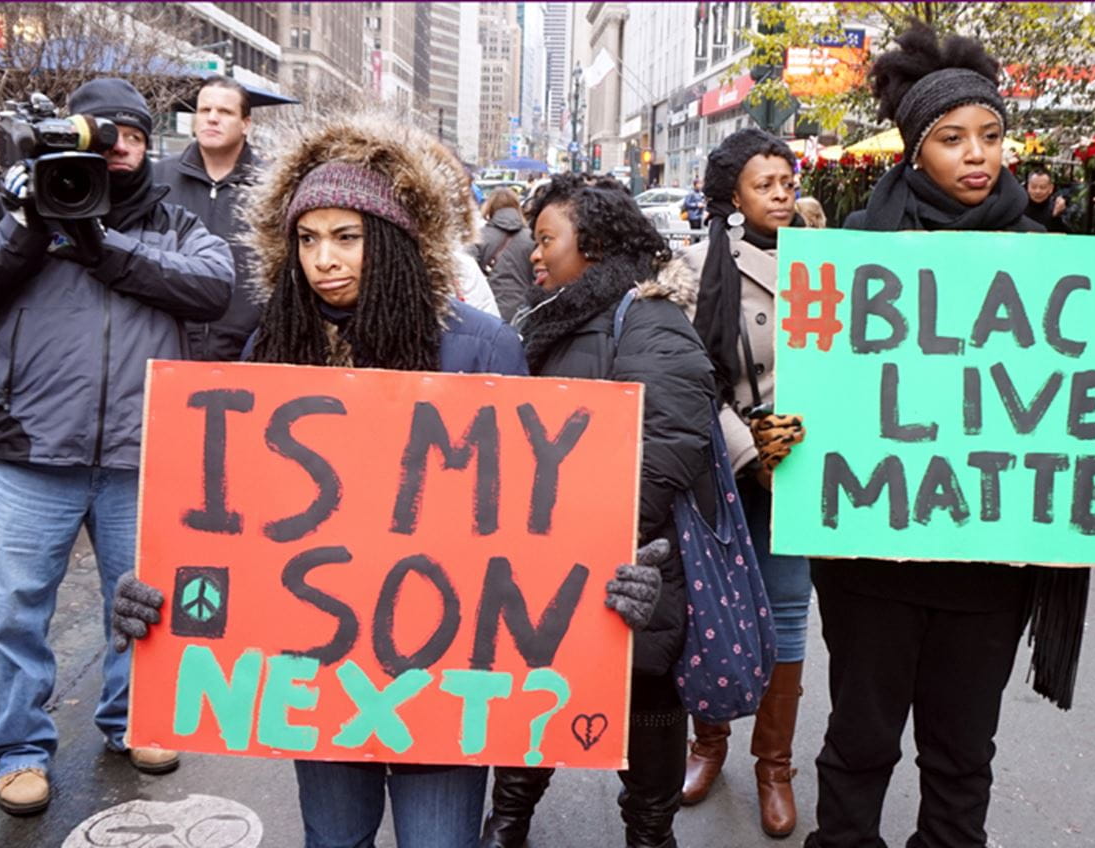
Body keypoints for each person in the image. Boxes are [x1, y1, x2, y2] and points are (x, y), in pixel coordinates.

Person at [112, 113, 534, 848]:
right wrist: (164, 590)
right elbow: (230, 516)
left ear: (396, 242)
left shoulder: (482, 347)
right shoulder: (273, 347)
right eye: (307, 239)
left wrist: (606, 584)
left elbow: (531, 521)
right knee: (335, 841)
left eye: (347, 237)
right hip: (320, 672)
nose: (323, 260)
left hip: (443, 673)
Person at [805, 25, 1065, 848]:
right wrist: (788, 433)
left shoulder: (1047, 258)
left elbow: (1077, 396)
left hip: (989, 570)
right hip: (872, 561)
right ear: (916, 152)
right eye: (952, 139)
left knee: (961, 755)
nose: (977, 154)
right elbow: (816, 390)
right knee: (861, 742)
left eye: (991, 136)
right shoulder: (855, 250)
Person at [0, 77, 234, 816]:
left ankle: (136, 720)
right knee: (17, 609)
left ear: (146, 146)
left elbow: (212, 287)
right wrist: (27, 228)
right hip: (30, 448)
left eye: (128, 138)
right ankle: (18, 748)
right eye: (97, 136)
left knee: (138, 603)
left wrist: (103, 248)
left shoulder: (173, 223)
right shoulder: (11, 212)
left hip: (142, 448)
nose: (112, 153)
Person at [482, 173, 718, 848]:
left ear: (592, 244)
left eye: (547, 237)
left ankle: (649, 832)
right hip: (550, 556)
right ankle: (510, 818)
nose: (533, 251)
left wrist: (587, 539)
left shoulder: (650, 321)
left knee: (647, 703)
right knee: (539, 687)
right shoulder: (553, 315)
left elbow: (666, 449)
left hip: (637, 566)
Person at [676, 127, 812, 839]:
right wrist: (746, 448)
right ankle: (708, 745)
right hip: (727, 467)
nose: (783, 193)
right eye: (767, 183)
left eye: (789, 180)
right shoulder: (696, 269)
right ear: (735, 194)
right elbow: (687, 379)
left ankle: (774, 766)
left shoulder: (831, 264)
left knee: (788, 614)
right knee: (714, 609)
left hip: (803, 468)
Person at [154, 75, 262, 360]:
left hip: (249, 351)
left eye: (225, 112)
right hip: (168, 347)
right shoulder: (157, 179)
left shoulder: (271, 185)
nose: (212, 119)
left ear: (245, 124)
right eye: (204, 110)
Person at [471, 187, 536, 321]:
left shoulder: (479, 237)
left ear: (490, 207)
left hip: (488, 312)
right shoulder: (532, 238)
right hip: (522, 312)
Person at [1022, 167, 1070, 233]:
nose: (1037, 191)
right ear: (1027, 187)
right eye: (1033, 187)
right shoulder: (1019, 207)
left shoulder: (1057, 207)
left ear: (1051, 188)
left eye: (1042, 187)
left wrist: (1056, 216)